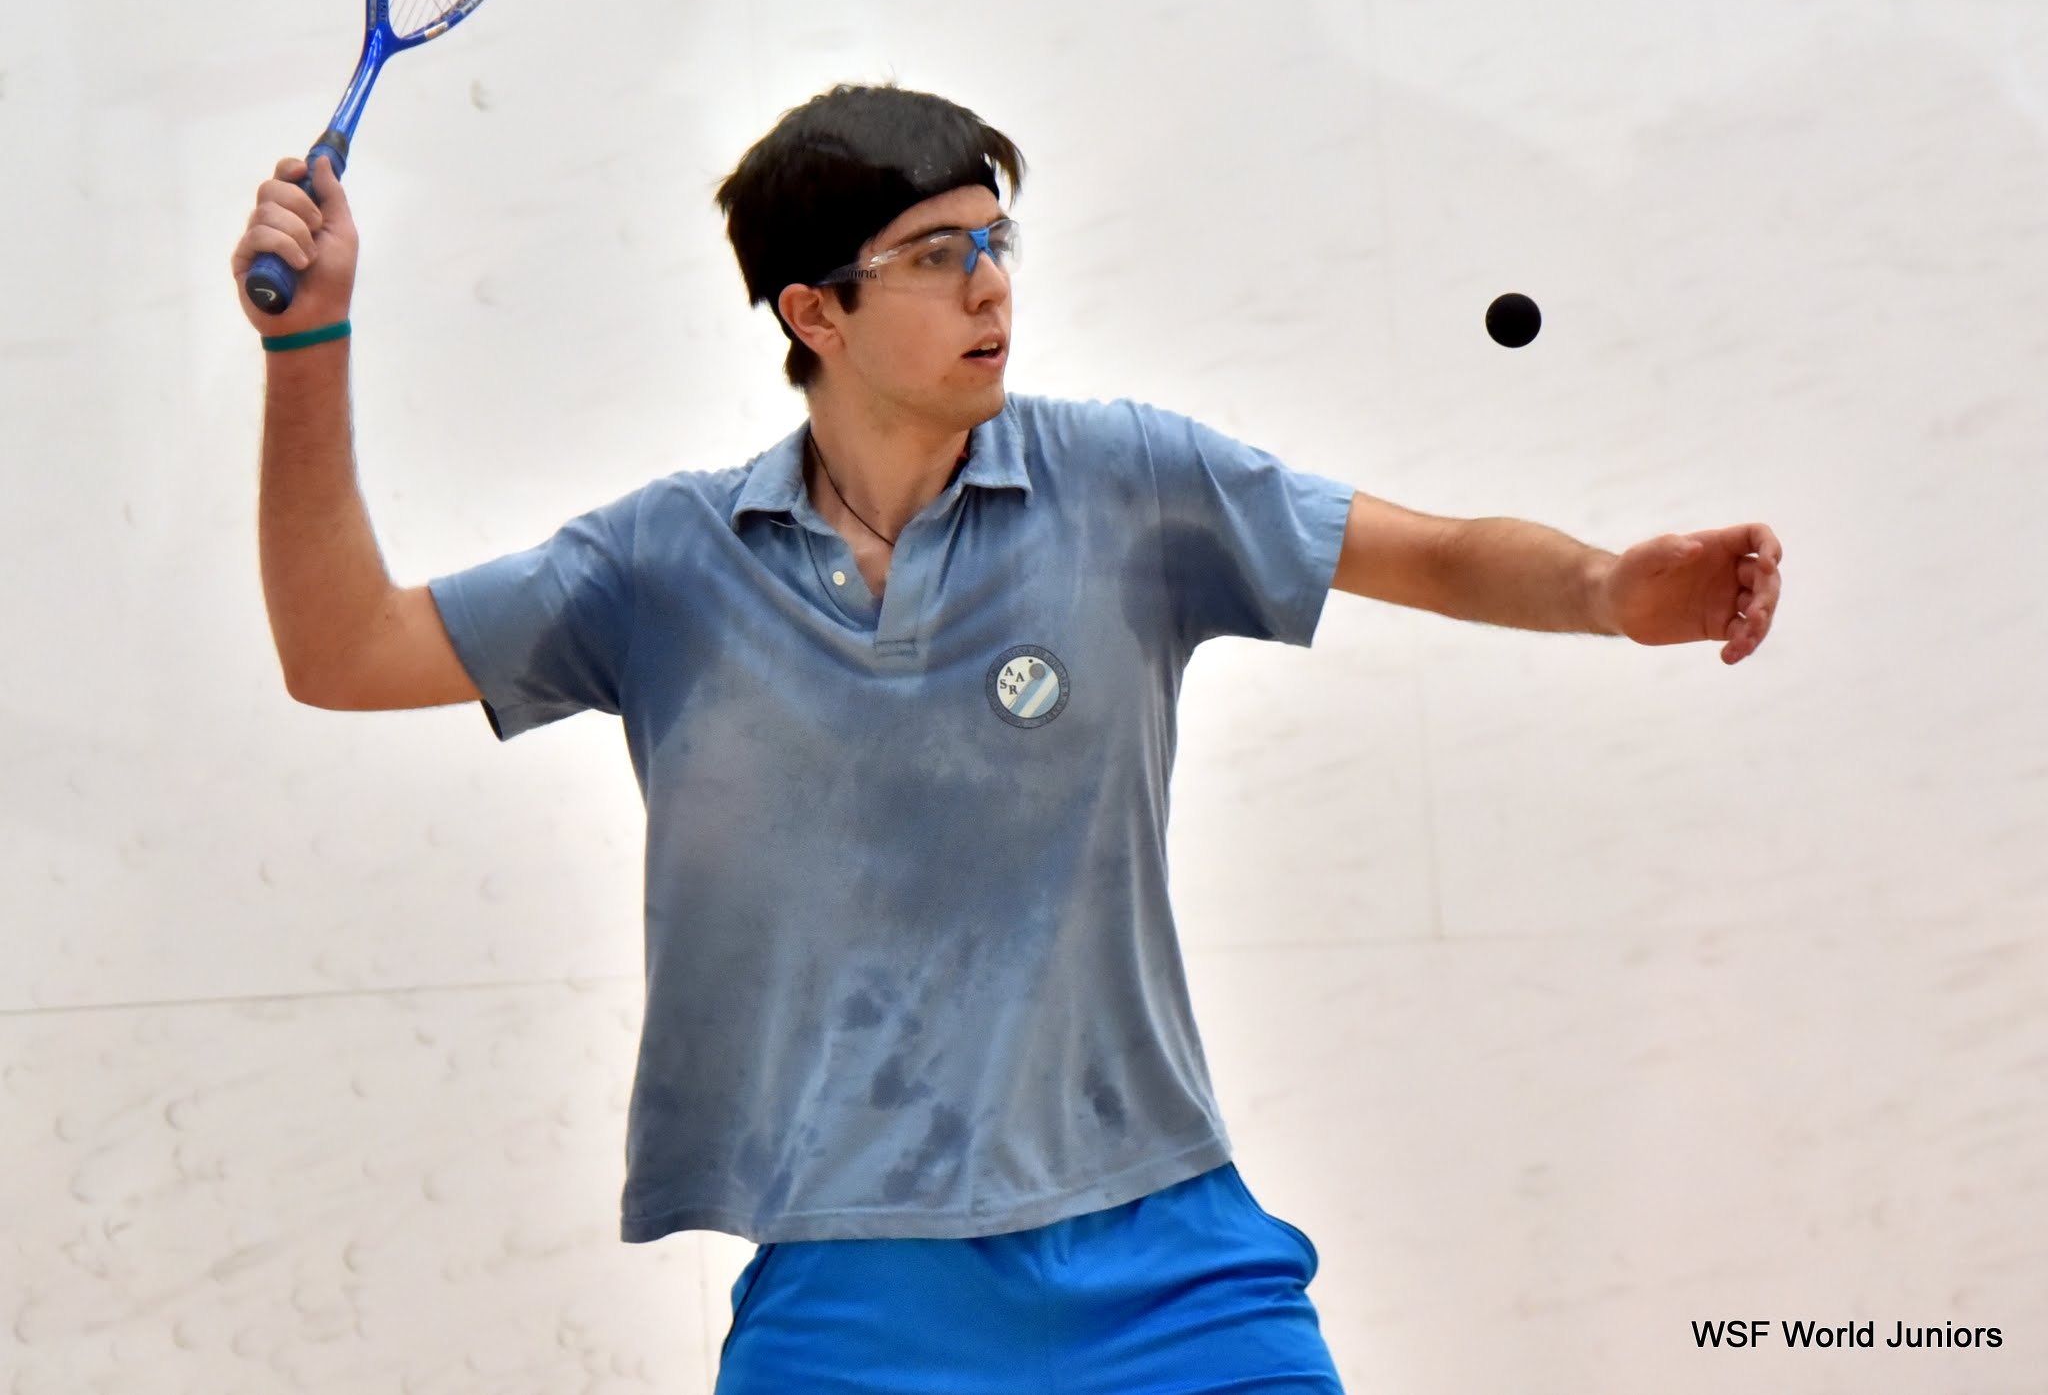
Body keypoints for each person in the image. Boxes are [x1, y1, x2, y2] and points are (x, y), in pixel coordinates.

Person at [233, 81, 1783, 1392]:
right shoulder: (664, 570)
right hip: (855, 1300)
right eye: (933, 254)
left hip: (1175, 1266)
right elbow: (343, 647)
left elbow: (1425, 550)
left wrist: (1604, 587)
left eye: (996, 242)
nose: (990, 284)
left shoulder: (1127, 484)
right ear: (813, 309)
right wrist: (313, 352)